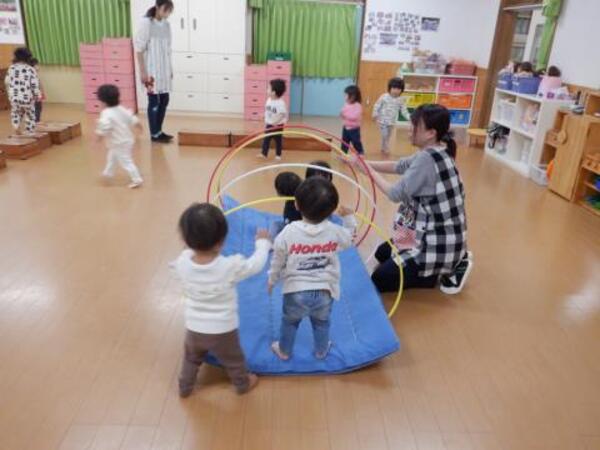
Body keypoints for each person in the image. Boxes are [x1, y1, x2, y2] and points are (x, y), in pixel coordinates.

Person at [350, 104, 472, 295]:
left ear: (431, 133)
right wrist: (361, 163)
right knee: (382, 252)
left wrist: (367, 171)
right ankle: (451, 259)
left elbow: (394, 193)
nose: (409, 129)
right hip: (436, 234)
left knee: (380, 278)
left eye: (414, 125)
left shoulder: (427, 160)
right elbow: (399, 166)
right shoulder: (438, 151)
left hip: (434, 245)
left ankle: (439, 272)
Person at [173, 203, 271, 397]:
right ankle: (242, 383)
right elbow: (255, 265)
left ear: (184, 240)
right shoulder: (230, 266)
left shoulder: (181, 263)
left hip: (194, 328)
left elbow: (183, 260)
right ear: (222, 241)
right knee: (234, 360)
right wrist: (263, 244)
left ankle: (185, 386)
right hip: (223, 331)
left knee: (191, 358)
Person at [268, 177, 356, 360]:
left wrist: (272, 279)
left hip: (295, 291)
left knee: (290, 322)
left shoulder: (289, 231)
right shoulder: (334, 230)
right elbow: (349, 239)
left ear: (296, 205)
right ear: (332, 209)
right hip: (325, 291)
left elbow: (278, 258)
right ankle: (321, 350)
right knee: (321, 323)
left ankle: (284, 351)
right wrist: (348, 218)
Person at [134, 0, 174, 143]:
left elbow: (168, 49)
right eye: (165, 10)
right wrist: (143, 72)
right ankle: (154, 134)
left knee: (165, 99)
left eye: (169, 11)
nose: (167, 14)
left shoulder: (166, 25)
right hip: (151, 71)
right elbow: (139, 49)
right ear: (157, 7)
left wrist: (170, 69)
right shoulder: (146, 23)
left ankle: (159, 131)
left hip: (164, 70)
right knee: (154, 101)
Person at [95, 84, 144, 189]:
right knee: (112, 157)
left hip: (119, 142)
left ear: (103, 102)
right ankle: (108, 172)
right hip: (125, 140)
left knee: (126, 161)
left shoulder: (106, 113)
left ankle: (137, 179)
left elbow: (104, 127)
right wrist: (140, 127)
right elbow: (133, 119)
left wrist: (99, 137)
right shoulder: (121, 109)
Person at [4, 47, 41, 135]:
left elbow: (7, 81)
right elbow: (34, 84)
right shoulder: (30, 69)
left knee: (15, 113)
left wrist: (10, 92)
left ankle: (16, 126)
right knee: (30, 114)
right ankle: (29, 131)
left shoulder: (12, 68)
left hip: (14, 96)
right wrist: (37, 95)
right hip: (27, 97)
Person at [372, 77, 410, 154]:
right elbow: (377, 105)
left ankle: (383, 147)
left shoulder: (401, 99)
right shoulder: (384, 96)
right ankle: (386, 147)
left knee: (388, 136)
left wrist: (410, 117)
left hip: (392, 122)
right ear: (390, 88)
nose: (396, 91)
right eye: (394, 88)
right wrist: (375, 114)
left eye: (398, 89)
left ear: (401, 90)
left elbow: (404, 110)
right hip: (382, 121)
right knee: (384, 134)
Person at [259, 79, 288, 160]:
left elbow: (282, 114)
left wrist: (275, 122)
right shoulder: (269, 100)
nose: (267, 90)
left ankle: (278, 155)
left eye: (268, 88)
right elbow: (267, 110)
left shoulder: (280, 103)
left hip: (278, 126)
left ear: (273, 92)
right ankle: (264, 154)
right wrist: (264, 115)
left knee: (278, 141)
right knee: (266, 139)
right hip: (269, 124)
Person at [270, 171, 302, 238]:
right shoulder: (306, 194)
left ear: (281, 192)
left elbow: (290, 228)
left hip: (295, 233)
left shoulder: (291, 210)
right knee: (276, 224)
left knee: (274, 226)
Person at [340, 85, 364, 154]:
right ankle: (343, 153)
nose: (345, 97)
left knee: (356, 142)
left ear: (353, 96)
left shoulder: (357, 106)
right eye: (344, 95)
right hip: (345, 128)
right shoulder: (346, 104)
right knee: (344, 142)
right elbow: (343, 112)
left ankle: (360, 153)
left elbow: (354, 117)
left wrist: (345, 115)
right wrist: (341, 114)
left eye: (346, 95)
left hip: (354, 129)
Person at [29, 58, 44, 123]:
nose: (38, 66)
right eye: (37, 65)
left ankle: (36, 119)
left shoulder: (35, 74)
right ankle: (36, 120)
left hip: (37, 93)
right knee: (37, 107)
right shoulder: (31, 75)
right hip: (34, 94)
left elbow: (39, 83)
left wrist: (42, 91)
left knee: (38, 107)